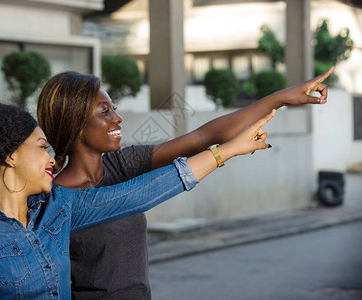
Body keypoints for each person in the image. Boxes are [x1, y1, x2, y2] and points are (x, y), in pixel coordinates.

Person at [0, 101, 274, 299]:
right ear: (10, 155)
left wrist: (228, 150)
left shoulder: (59, 207)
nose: (51, 158)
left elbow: (140, 193)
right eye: (42, 147)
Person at [36, 67, 334, 299]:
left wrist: (282, 98)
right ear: (75, 121)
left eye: (113, 108)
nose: (118, 117)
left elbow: (203, 137)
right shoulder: (54, 201)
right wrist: (225, 152)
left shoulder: (122, 166)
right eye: (105, 111)